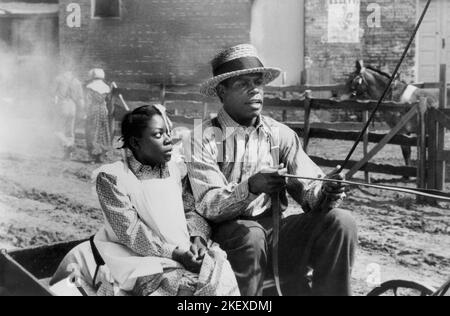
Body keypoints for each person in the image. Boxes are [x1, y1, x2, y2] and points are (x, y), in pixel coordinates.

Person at [187, 44, 358, 296]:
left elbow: (308, 188)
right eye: (242, 83)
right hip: (228, 236)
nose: (254, 89)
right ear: (222, 91)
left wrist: (326, 190)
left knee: (341, 221)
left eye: (257, 82)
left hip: (277, 233)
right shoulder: (202, 138)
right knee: (251, 234)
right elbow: (209, 205)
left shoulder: (280, 134)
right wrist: (252, 187)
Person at [51, 104, 239, 296]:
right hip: (134, 252)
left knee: (217, 274)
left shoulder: (176, 170)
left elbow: (190, 209)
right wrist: (176, 253)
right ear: (135, 142)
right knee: (177, 287)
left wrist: (197, 238)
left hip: (180, 246)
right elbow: (130, 232)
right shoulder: (113, 177)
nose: (169, 140)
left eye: (168, 133)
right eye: (158, 135)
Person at [54, 71, 84, 160]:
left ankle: (67, 144)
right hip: (73, 106)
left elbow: (52, 94)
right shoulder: (77, 82)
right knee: (70, 132)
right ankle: (67, 155)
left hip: (62, 105)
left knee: (57, 130)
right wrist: (82, 111)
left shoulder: (58, 79)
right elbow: (81, 99)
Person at [85, 68, 112, 163]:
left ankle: (93, 156)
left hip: (94, 109)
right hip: (103, 110)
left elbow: (88, 101)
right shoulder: (106, 88)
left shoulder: (90, 87)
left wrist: (86, 112)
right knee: (102, 132)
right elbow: (107, 101)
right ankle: (101, 155)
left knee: (92, 131)